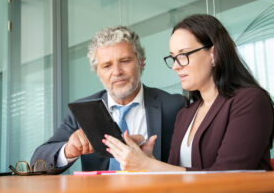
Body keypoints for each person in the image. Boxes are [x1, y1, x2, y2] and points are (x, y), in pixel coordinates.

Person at [103, 14, 274, 171]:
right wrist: (148, 160)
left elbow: (228, 176)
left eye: (183, 55)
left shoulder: (251, 101)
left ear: (213, 54)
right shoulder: (186, 113)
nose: (176, 66)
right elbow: (176, 175)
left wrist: (151, 165)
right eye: (173, 57)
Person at [30, 26, 185, 173]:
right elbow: (37, 162)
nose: (117, 72)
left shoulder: (174, 106)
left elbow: (191, 165)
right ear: (97, 72)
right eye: (107, 66)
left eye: (125, 61)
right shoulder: (82, 110)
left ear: (141, 62)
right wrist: (68, 150)